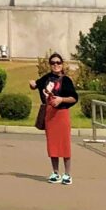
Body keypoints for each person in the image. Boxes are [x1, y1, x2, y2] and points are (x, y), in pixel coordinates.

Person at [35, 52, 79, 184]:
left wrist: (61, 99)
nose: (55, 65)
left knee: (64, 144)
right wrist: (32, 84)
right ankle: (55, 172)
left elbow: (74, 98)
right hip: (49, 114)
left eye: (58, 63)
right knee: (52, 144)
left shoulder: (66, 80)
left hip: (62, 114)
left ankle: (67, 174)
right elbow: (36, 84)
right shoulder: (47, 78)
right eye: (53, 63)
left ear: (62, 64)